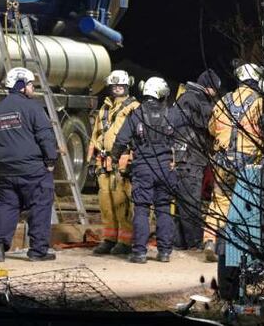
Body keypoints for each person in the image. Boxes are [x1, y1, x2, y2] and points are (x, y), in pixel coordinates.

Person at [0, 67, 58, 262]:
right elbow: (45, 136)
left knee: (6, 206)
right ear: (21, 86)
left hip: (5, 171)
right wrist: (50, 160)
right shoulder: (33, 108)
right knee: (40, 205)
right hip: (33, 170)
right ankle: (38, 251)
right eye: (31, 84)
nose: (33, 88)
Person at [109, 76, 181, 264]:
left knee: (141, 209)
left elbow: (121, 140)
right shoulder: (172, 113)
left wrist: (114, 158)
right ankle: (164, 252)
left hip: (143, 169)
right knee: (163, 208)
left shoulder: (137, 114)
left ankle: (139, 253)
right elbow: (183, 139)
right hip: (165, 169)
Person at [203, 63, 264, 262]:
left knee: (219, 202)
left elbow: (212, 128)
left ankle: (210, 241)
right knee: (246, 204)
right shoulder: (260, 103)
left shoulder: (224, 100)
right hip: (248, 162)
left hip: (223, 159)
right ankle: (239, 249)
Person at [86, 69, 141, 256]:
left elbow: (138, 135)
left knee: (121, 202)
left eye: (121, 85)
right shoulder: (105, 108)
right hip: (104, 161)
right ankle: (109, 238)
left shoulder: (134, 107)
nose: (117, 88)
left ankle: (125, 241)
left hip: (122, 161)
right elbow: (96, 134)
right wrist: (90, 159)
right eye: (114, 85)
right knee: (106, 202)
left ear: (127, 86)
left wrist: (133, 159)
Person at [172, 68, 220, 251]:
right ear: (208, 87)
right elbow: (210, 123)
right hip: (191, 158)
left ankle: (179, 241)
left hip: (182, 157)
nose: (216, 93)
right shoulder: (197, 101)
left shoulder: (185, 98)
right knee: (191, 201)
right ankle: (195, 242)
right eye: (215, 89)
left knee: (182, 201)